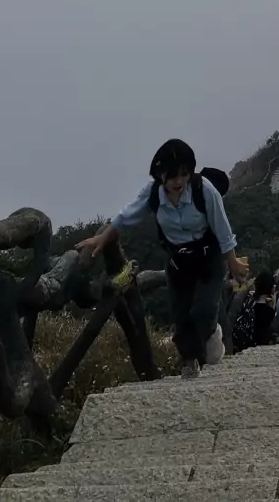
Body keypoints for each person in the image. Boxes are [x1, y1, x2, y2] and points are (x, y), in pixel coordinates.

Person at [78, 138, 249, 378]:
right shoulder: (153, 195)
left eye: (183, 174)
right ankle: (189, 361)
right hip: (178, 263)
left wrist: (233, 261)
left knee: (203, 310)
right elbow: (125, 217)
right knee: (180, 315)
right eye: (171, 176)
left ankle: (212, 334)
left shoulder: (204, 190)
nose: (178, 182)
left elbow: (222, 228)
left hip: (208, 259)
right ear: (161, 176)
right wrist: (101, 239)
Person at [232, 269, 278, 350]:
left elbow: (234, 290)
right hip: (261, 346)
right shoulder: (268, 311)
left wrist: (246, 286)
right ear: (271, 288)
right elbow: (273, 328)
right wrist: (273, 305)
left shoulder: (248, 302)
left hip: (246, 344)